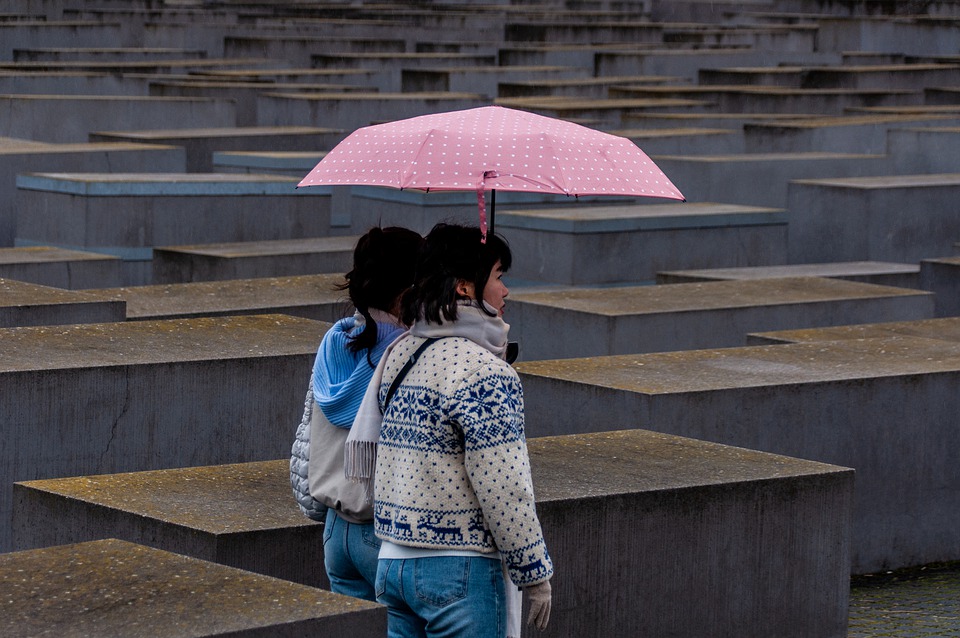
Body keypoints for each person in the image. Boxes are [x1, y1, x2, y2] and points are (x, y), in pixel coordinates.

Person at [346, 222, 554, 637]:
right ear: (464, 286)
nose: (506, 291)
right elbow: (503, 484)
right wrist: (535, 572)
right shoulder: (484, 371)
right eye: (498, 277)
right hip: (461, 570)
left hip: (393, 566)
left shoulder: (402, 351)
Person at [290, 225, 423, 601]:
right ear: (409, 290)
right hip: (381, 528)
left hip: (334, 527)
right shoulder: (407, 354)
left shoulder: (337, 338)